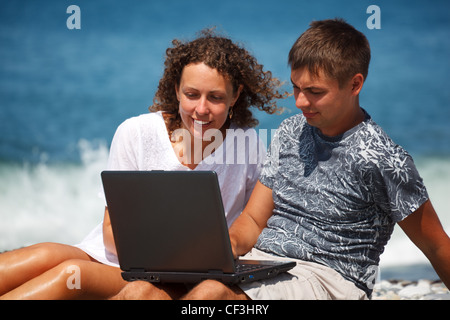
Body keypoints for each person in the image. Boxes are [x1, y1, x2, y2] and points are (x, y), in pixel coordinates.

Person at [112, 19, 450, 300]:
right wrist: (217, 249)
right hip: (264, 264)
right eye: (296, 88)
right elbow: (253, 223)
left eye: (315, 92)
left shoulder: (384, 160)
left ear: (355, 84)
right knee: (142, 292)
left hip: (330, 280)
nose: (301, 102)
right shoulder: (290, 132)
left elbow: (436, 247)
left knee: (208, 297)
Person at [0, 29, 287, 299]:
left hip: (181, 278)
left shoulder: (247, 144)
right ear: (176, 90)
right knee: (42, 256)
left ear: (235, 95)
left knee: (69, 274)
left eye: (215, 97)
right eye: (191, 94)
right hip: (120, 258)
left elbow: (253, 223)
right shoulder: (136, 132)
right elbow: (111, 234)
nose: (201, 109)